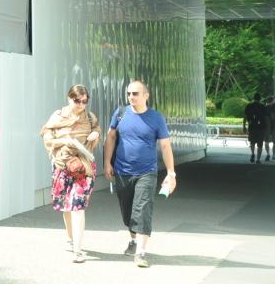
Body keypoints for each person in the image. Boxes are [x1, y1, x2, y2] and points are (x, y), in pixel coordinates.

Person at [104, 79, 176, 268]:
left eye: (135, 93)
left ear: (146, 95)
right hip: (122, 170)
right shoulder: (120, 113)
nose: (131, 97)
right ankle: (134, 240)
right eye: (129, 93)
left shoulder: (156, 118)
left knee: (143, 209)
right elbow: (110, 137)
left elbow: (165, 145)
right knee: (127, 211)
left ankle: (141, 252)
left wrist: (171, 173)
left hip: (147, 172)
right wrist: (107, 162)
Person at [40, 84, 100, 263]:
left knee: (77, 206)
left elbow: (97, 130)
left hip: (83, 166)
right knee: (67, 205)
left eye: (84, 101)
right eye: (77, 101)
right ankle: (71, 237)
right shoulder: (58, 116)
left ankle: (77, 251)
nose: (81, 105)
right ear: (69, 98)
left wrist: (96, 134)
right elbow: (47, 139)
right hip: (62, 165)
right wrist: (65, 141)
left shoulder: (90, 117)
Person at [243, 94, 268, 163]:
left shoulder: (249, 106)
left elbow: (245, 117)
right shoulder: (263, 106)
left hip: (252, 127)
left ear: (254, 98)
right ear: (260, 99)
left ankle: (252, 153)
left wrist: (244, 126)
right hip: (261, 127)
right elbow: (266, 118)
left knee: (252, 142)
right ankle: (258, 159)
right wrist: (267, 128)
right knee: (260, 144)